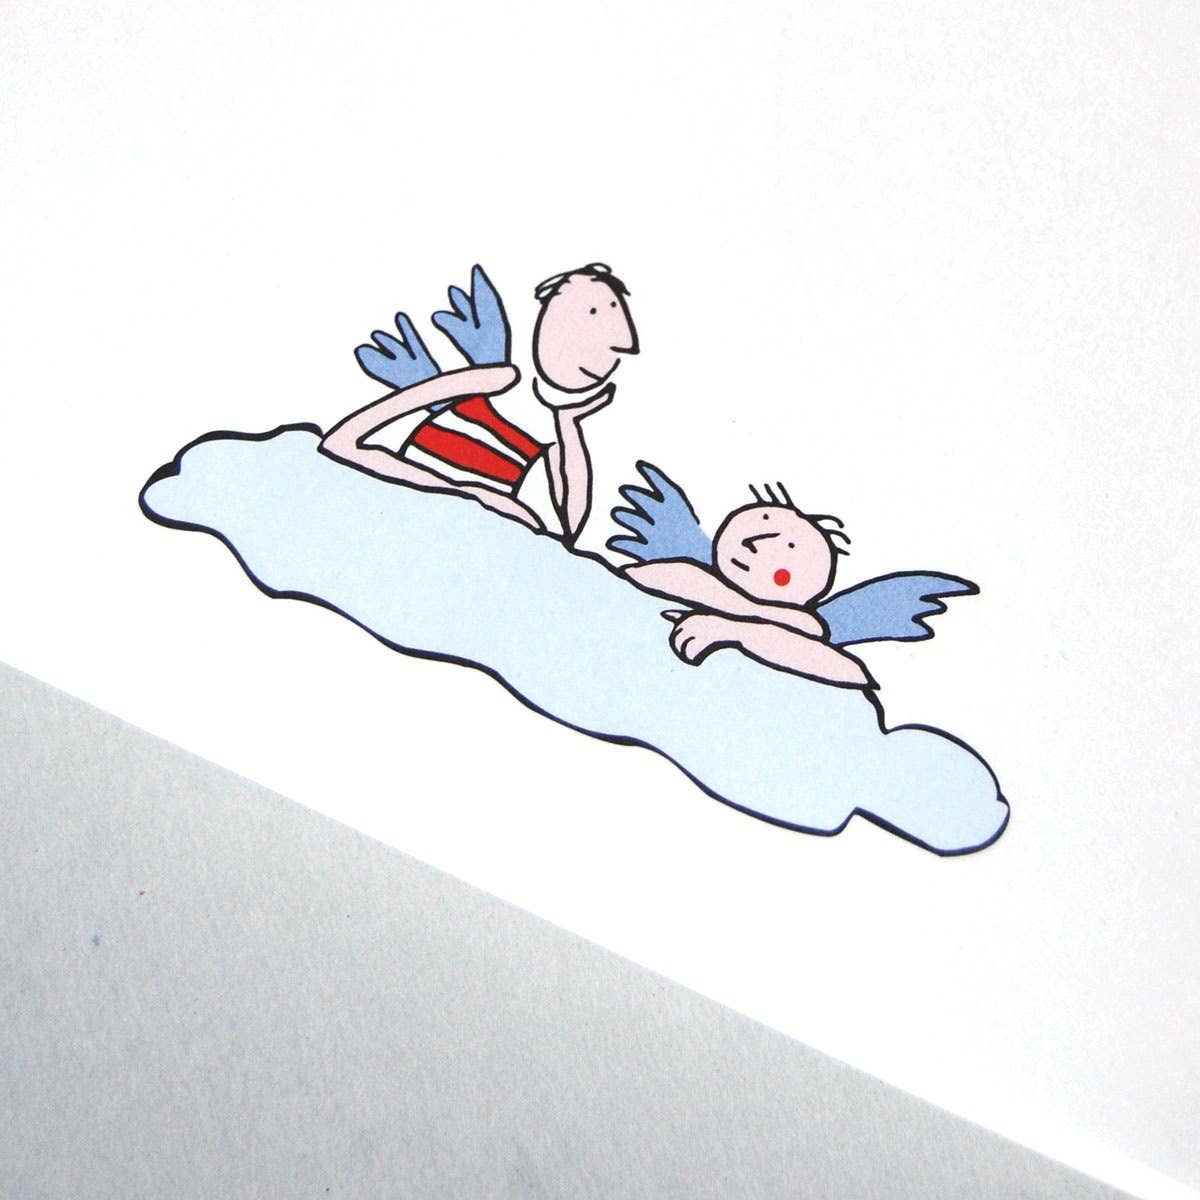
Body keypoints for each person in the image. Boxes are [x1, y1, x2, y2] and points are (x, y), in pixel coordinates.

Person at [320, 263, 638, 540]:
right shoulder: (496, 380)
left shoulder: (556, 439)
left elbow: (567, 532)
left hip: (469, 531)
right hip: (421, 499)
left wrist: (569, 425)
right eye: (590, 312)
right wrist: (461, 493)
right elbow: (342, 442)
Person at [618, 483, 875, 689]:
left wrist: (732, 631)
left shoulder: (804, 627)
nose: (755, 542)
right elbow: (632, 577)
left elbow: (851, 673)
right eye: (764, 518)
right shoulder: (695, 578)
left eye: (790, 546)